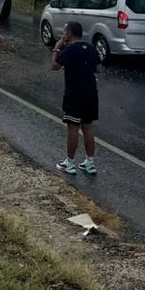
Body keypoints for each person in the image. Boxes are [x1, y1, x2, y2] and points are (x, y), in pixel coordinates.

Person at [51, 21, 100, 175]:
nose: (64, 35)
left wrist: (56, 48)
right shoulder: (91, 48)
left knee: (73, 127)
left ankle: (69, 163)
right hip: (91, 93)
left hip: (74, 93)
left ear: (70, 34)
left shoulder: (69, 49)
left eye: (65, 32)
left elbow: (54, 66)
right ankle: (90, 162)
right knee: (88, 127)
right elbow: (98, 68)